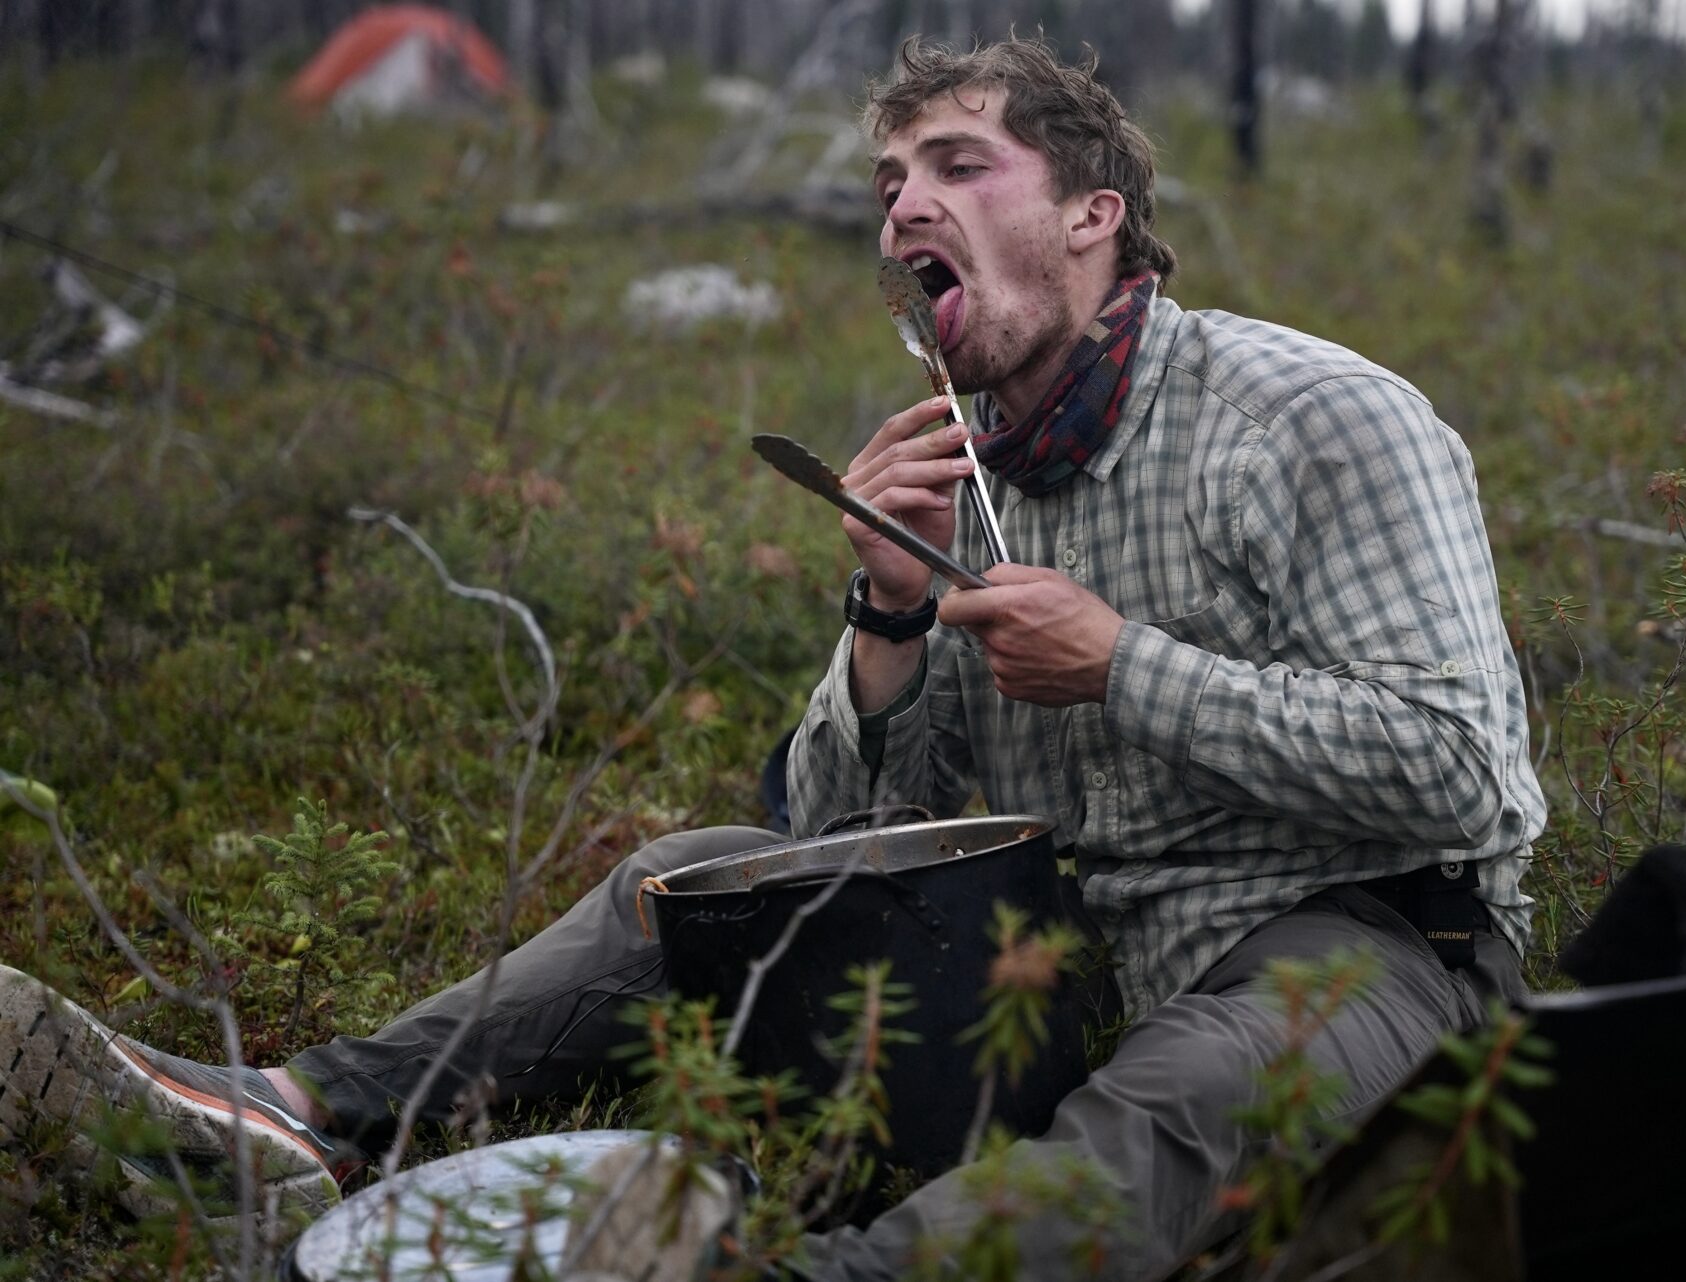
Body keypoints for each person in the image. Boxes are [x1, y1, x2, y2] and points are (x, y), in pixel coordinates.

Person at [0, 36, 1545, 1280]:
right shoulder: (961, 472)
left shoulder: (1319, 418)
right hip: (1056, 948)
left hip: (1343, 940)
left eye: (956, 164)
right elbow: (850, 841)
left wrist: (1127, 664)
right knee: (692, 870)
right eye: (888, 185)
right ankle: (298, 1111)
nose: (900, 210)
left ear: (1094, 212)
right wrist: (882, 612)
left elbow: (1470, 778)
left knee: (1185, 1097)